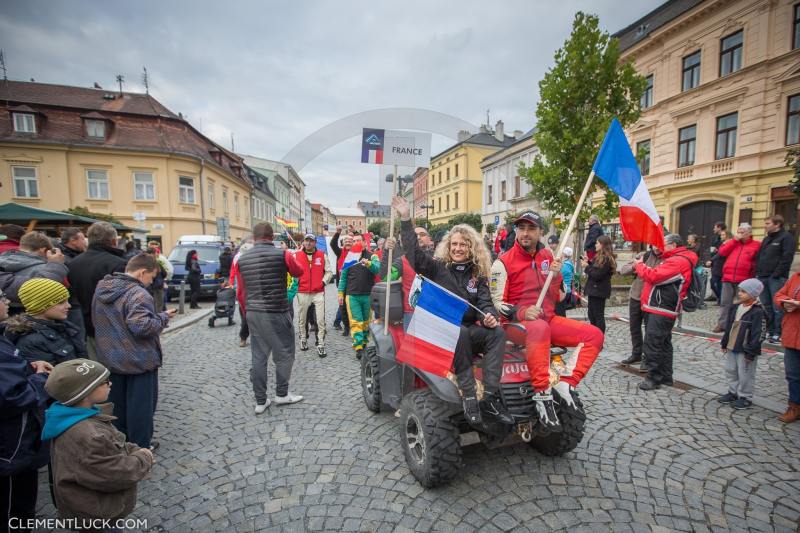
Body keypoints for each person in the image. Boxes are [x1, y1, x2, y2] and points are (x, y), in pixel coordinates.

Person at [393, 196, 513, 426]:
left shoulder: (478, 274)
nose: (458, 248)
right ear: (448, 246)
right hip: (443, 331)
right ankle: (469, 395)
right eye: (454, 244)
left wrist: (490, 317)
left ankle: (489, 396)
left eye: (463, 244)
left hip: (466, 332)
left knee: (497, 333)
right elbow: (413, 253)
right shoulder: (436, 267)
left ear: (472, 248)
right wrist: (406, 220)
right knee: (461, 332)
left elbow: (485, 303)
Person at [490, 211, 604, 428]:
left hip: (547, 320)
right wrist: (522, 312)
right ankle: (542, 394)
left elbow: (558, 296)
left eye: (531, 229)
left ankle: (565, 384)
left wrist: (557, 275)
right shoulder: (502, 262)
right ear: (515, 231)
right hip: (514, 324)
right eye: (521, 228)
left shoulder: (548, 258)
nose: (525, 233)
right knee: (539, 327)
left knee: (594, 335)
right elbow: (497, 303)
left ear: (540, 232)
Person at [42, 359, 154, 527]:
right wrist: (143, 458)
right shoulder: (89, 435)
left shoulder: (71, 416)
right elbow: (114, 473)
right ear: (85, 393)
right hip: (98, 514)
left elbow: (116, 441)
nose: (110, 384)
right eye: (104, 382)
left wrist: (134, 448)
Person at [93, 253, 175, 449]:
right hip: (139, 359)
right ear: (142, 272)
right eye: (151, 277)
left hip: (111, 357)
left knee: (118, 407)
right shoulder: (138, 293)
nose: (150, 282)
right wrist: (163, 317)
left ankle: (121, 445)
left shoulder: (102, 289)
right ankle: (140, 450)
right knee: (141, 409)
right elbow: (142, 327)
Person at [238, 222, 305, 414]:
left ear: (254, 237)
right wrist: (289, 254)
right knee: (284, 354)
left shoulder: (243, 258)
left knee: (258, 357)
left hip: (253, 312)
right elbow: (298, 272)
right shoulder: (282, 254)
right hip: (277, 311)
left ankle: (260, 401)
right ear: (272, 237)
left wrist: (247, 312)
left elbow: (241, 292)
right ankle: (281, 394)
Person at [0, 289, 52, 532]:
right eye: (1, 297)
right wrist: (41, 380)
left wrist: (29, 368)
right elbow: (13, 395)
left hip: (16, 444)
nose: (7, 301)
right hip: (10, 447)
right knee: (16, 510)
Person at [635, 234, 698, 390]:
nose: (660, 247)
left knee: (653, 343)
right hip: (659, 307)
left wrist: (639, 265)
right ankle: (665, 376)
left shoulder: (678, 261)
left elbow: (653, 276)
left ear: (673, 245)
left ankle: (653, 377)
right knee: (663, 343)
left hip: (661, 308)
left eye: (663, 244)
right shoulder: (675, 259)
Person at [67, 222, 128, 360]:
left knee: (98, 370)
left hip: (87, 325)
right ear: (113, 241)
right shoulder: (118, 263)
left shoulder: (73, 263)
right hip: (114, 328)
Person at [7, 278, 85, 366]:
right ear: (41, 306)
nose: (69, 305)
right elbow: (51, 377)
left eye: (67, 301)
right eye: (61, 302)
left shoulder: (62, 326)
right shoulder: (31, 342)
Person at [718, 279, 765, 410]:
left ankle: (745, 396)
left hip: (746, 349)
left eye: (743, 292)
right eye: (739, 291)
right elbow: (729, 326)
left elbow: (759, 333)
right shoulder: (735, 308)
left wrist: (752, 351)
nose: (739, 294)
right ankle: (732, 392)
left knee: (745, 373)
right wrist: (724, 342)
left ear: (753, 294)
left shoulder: (758, 312)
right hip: (732, 345)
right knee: (731, 369)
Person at [0, 231, 68, 314]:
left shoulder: (3, 260)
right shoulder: (45, 268)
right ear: (43, 250)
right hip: (31, 315)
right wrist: (56, 264)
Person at [618, 245, 663, 369]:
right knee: (634, 327)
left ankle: (647, 358)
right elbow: (623, 270)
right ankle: (636, 353)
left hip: (652, 300)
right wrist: (636, 265)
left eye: (659, 244)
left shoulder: (666, 259)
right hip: (636, 296)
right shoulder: (645, 255)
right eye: (655, 244)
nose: (657, 247)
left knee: (650, 330)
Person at [338, 233, 381, 359]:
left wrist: (368, 264)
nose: (356, 243)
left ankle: (364, 343)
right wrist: (340, 293)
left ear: (364, 242)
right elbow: (343, 278)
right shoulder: (349, 257)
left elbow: (377, 269)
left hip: (368, 294)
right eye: (354, 241)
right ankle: (358, 347)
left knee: (366, 322)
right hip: (352, 295)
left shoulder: (372, 256)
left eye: (358, 240)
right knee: (356, 321)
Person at [755, 214, 796, 343]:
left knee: (777, 306)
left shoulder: (786, 238)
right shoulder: (767, 239)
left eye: (767, 223)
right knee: (766, 306)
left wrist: (776, 274)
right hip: (762, 276)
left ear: (777, 224)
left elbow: (787, 258)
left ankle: (778, 332)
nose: (765, 226)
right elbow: (760, 256)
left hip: (776, 278)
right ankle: (770, 330)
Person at [714, 223, 760, 333]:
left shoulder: (756, 245)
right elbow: (722, 252)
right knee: (725, 302)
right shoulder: (733, 243)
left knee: (741, 303)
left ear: (749, 233)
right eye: (738, 232)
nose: (740, 234)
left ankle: (739, 325)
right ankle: (722, 324)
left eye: (742, 232)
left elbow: (758, 260)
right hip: (728, 277)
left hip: (744, 278)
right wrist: (734, 240)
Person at [296, 234, 333, 357]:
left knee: (320, 319)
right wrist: (297, 281)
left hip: (318, 292)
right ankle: (303, 339)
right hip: (303, 291)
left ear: (315, 242)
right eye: (306, 240)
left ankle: (320, 343)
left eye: (311, 241)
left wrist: (322, 282)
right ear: (303, 242)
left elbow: (329, 272)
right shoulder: (297, 255)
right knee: (302, 318)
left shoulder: (322, 255)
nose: (308, 243)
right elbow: (292, 271)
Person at [775, 273, 800, 423]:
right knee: (792, 374)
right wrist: (784, 303)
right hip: (791, 333)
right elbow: (779, 294)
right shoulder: (795, 277)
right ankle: (794, 406)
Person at [581, 235, 615, 334]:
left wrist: (587, 267)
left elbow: (597, 274)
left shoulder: (607, 259)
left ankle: (599, 337)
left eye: (597, 243)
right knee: (591, 315)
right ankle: (594, 335)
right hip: (594, 290)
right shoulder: (599, 256)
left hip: (599, 291)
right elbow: (596, 268)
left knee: (598, 316)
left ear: (602, 245)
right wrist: (589, 263)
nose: (595, 245)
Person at [228, 241, 253, 348]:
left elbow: (233, 273)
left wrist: (231, 283)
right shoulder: (243, 262)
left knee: (246, 317)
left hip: (244, 294)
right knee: (249, 318)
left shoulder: (238, 260)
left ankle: (244, 338)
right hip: (248, 294)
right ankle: (244, 338)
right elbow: (234, 273)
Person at [330, 228, 352, 336]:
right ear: (342, 243)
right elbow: (332, 244)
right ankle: (346, 326)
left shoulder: (356, 253)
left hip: (353, 282)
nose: (347, 242)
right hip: (341, 282)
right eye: (346, 241)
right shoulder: (339, 252)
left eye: (349, 241)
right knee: (342, 306)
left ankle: (352, 325)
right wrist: (338, 233)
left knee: (351, 304)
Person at [706, 229, 729, 303]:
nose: (721, 236)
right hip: (716, 266)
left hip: (723, 266)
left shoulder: (728, 244)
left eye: (723, 235)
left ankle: (721, 299)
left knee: (720, 284)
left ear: (727, 236)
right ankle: (719, 298)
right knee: (713, 283)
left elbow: (721, 254)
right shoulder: (721, 243)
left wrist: (711, 260)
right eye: (721, 235)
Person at [554, 247, 575, 317]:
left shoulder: (565, 265)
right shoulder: (570, 264)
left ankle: (561, 326)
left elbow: (556, 275)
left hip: (563, 291)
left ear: (564, 254)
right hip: (567, 291)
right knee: (562, 311)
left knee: (560, 312)